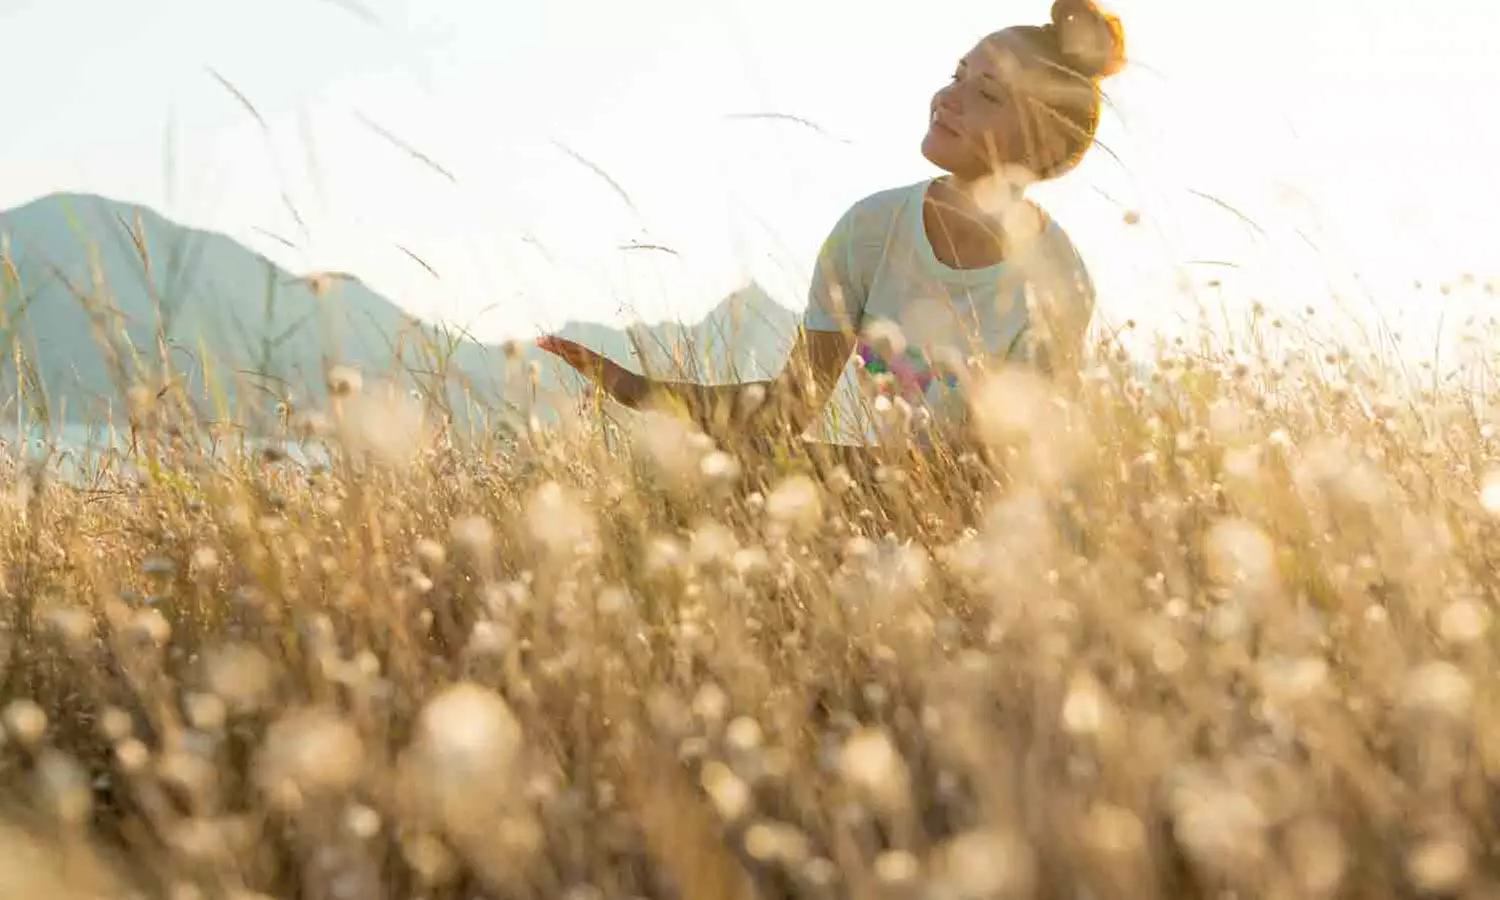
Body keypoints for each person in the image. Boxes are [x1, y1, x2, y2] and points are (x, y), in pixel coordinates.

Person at [539, 0, 1125, 466]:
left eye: (987, 93)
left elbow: (999, 470)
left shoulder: (1059, 280)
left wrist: (816, 466)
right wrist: (635, 388)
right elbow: (789, 408)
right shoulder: (870, 231)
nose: (948, 97)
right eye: (956, 75)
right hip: (876, 500)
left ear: (1045, 146)